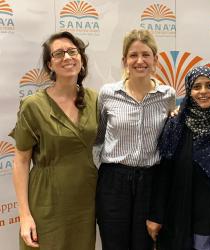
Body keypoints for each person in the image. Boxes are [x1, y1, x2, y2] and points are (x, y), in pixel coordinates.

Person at [10, 31, 98, 250]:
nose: (67, 57)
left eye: (72, 51)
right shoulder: (33, 105)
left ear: (81, 59)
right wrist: (24, 215)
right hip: (46, 202)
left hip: (84, 201)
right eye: (59, 54)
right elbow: (21, 161)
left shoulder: (94, 99)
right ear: (50, 64)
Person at [147, 66, 210, 250]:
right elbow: (165, 173)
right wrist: (156, 214)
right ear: (189, 91)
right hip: (185, 208)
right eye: (197, 86)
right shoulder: (177, 124)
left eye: (209, 85)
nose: (203, 91)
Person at [95, 29, 176, 250]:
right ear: (124, 61)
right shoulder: (108, 93)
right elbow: (99, 136)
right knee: (113, 244)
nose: (139, 61)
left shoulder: (167, 95)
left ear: (155, 60)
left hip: (150, 181)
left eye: (146, 55)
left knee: (144, 245)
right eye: (133, 55)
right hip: (114, 181)